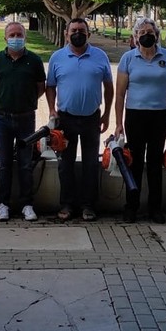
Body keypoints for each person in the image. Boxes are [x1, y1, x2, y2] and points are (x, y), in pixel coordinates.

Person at [46, 18, 113, 221]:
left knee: (91, 163)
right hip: (65, 119)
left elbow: (109, 87)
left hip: (92, 118)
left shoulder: (100, 56)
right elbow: (50, 86)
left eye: (81, 30)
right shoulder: (57, 57)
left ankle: (88, 205)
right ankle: (67, 204)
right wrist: (51, 109)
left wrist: (107, 114)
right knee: (65, 164)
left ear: (88, 34)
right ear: (66, 34)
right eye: (73, 30)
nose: (77, 33)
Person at [114, 17, 166, 224]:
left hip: (159, 115)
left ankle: (155, 208)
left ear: (157, 35)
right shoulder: (128, 58)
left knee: (154, 163)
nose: (146, 36)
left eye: (149, 32)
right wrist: (118, 123)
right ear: (135, 37)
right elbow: (120, 94)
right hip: (134, 115)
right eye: (141, 33)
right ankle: (131, 207)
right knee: (133, 163)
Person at [0, 21, 46, 222]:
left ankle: (27, 204)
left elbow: (41, 87)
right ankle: (3, 204)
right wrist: (2, 99)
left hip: (26, 119)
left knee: (25, 163)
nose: (15, 38)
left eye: (18, 34)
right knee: (4, 164)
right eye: (11, 35)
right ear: (5, 38)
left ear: (25, 37)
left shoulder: (34, 60)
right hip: (2, 118)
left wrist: (27, 102)